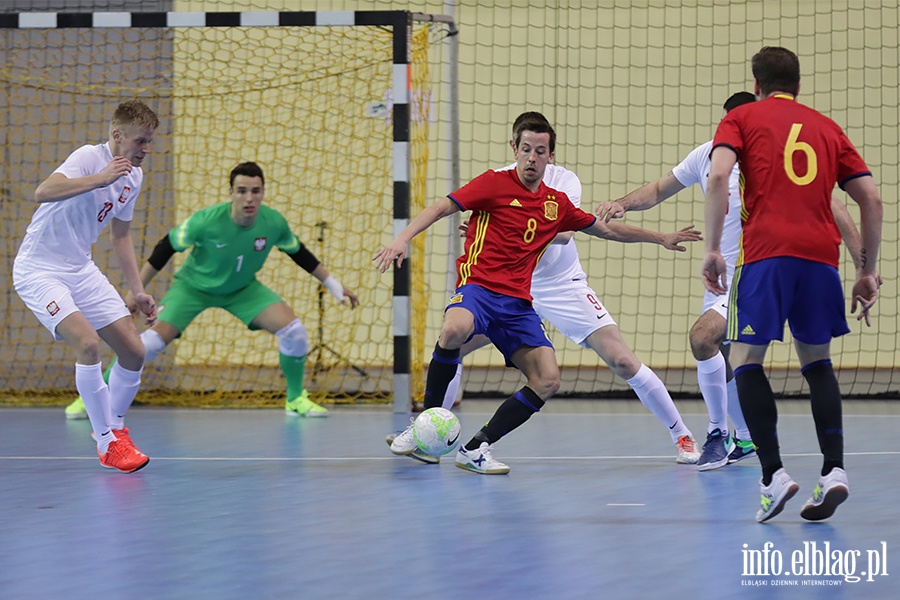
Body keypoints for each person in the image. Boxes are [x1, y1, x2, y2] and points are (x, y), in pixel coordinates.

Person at [374, 116, 701, 474]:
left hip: (553, 286)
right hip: (488, 287)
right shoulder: (494, 182)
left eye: (540, 151)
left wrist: (660, 237)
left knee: (583, 370)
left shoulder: (559, 192)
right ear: (514, 148)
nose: (532, 157)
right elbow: (442, 207)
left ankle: (681, 434)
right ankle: (426, 430)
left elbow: (583, 231)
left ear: (551, 155)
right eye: (526, 149)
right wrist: (401, 239)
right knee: (453, 335)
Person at [601, 93, 866, 472]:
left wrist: (864, 267)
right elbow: (660, 188)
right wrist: (623, 203)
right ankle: (745, 439)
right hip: (723, 282)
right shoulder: (709, 155)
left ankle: (717, 435)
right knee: (727, 356)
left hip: (757, 274)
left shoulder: (772, 158)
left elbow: (837, 208)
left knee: (704, 338)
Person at [702, 47, 882, 522]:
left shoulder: (741, 118)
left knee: (744, 360)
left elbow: (719, 175)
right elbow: (871, 199)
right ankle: (835, 471)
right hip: (820, 259)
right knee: (817, 363)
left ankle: (773, 475)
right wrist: (868, 268)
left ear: (756, 85)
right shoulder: (826, 127)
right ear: (798, 86)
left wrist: (714, 248)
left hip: (766, 256)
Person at [64, 161, 359, 421]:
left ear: (263, 193)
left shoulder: (273, 222)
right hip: (193, 289)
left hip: (242, 289)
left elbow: (300, 254)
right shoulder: (206, 221)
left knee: (295, 332)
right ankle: (93, 397)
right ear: (231, 192)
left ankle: (295, 400)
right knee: (146, 345)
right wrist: (136, 291)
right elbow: (165, 247)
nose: (249, 198)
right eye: (242, 190)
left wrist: (334, 286)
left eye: (255, 191)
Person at [13, 99, 160, 473]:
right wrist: (102, 177)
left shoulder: (135, 177)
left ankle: (115, 428)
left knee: (133, 351)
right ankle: (107, 442)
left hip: (80, 268)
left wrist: (137, 289)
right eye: (141, 141)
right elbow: (43, 192)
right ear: (117, 136)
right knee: (89, 343)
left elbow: (121, 235)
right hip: (39, 270)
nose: (146, 149)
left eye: (149, 142)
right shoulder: (88, 158)